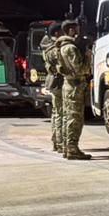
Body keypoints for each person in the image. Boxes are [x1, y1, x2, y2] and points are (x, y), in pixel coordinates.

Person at [54, 19, 92, 160]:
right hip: (75, 87)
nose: (77, 32)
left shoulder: (62, 46)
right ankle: (72, 149)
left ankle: (66, 147)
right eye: (76, 29)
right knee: (75, 119)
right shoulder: (70, 48)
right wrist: (88, 57)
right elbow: (81, 70)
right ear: (70, 30)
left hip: (68, 85)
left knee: (67, 117)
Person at [39, 22, 63, 154]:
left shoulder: (47, 46)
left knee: (56, 113)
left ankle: (56, 141)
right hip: (58, 81)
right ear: (57, 33)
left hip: (53, 81)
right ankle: (60, 142)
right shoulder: (55, 48)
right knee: (61, 113)